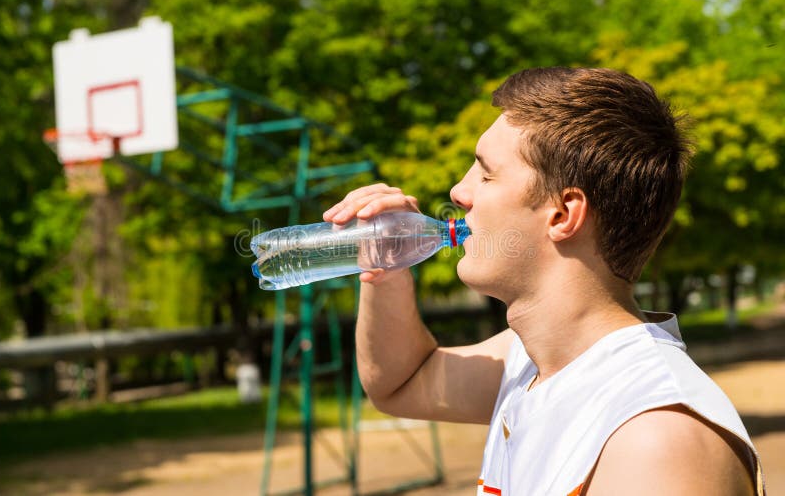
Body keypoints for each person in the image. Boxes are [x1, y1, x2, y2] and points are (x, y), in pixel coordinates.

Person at [323, 67, 765, 495]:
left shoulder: (658, 441)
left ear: (562, 215)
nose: (459, 191)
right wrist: (385, 272)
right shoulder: (531, 362)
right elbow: (399, 383)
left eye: (486, 172)